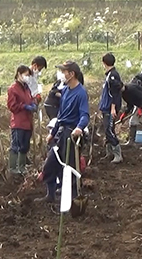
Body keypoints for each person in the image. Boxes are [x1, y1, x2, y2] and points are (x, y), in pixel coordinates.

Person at [35, 61, 89, 203]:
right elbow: (61, 115)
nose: (62, 75)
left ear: (72, 74)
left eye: (64, 72)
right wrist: (52, 133)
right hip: (60, 133)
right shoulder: (65, 91)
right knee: (50, 164)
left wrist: (79, 127)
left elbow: (85, 115)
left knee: (70, 168)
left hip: (72, 135)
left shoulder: (81, 93)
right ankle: (50, 195)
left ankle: (72, 201)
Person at [7, 65, 35, 179]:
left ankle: (22, 167)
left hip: (27, 121)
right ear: (19, 74)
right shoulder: (13, 89)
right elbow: (12, 106)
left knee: (25, 145)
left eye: (28, 75)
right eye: (26, 75)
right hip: (18, 122)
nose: (27, 77)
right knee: (16, 145)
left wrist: (33, 103)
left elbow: (30, 98)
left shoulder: (26, 87)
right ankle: (13, 168)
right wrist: (24, 106)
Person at [98, 52, 123, 164]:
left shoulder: (113, 75)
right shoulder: (109, 75)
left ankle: (118, 154)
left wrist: (113, 107)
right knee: (108, 130)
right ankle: (109, 153)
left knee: (109, 130)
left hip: (109, 108)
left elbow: (115, 92)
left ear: (104, 63)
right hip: (106, 108)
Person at [119, 83, 142, 150]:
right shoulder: (123, 94)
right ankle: (131, 141)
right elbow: (130, 104)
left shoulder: (132, 89)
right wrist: (125, 114)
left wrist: (140, 109)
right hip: (138, 105)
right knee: (132, 122)